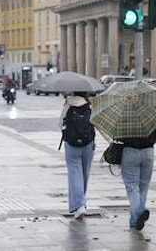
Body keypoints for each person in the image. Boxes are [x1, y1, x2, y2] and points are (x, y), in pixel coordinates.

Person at [117, 125, 156, 230]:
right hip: (148, 152)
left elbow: (118, 136)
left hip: (129, 151)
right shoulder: (152, 113)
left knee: (132, 187)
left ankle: (140, 211)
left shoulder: (125, 113)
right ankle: (134, 221)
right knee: (144, 186)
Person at [59, 91, 95, 219]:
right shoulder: (90, 105)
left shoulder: (68, 104)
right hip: (88, 144)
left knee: (75, 174)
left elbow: (60, 123)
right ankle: (81, 204)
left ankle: (79, 205)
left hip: (71, 144)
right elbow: (96, 124)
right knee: (84, 174)